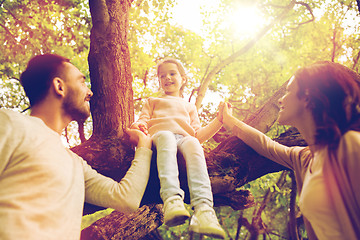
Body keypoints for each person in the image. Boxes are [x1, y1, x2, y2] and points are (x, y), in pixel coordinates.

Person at [0, 54, 153, 240]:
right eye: (82, 82)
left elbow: (127, 199)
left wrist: (144, 146)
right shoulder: (9, 123)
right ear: (59, 86)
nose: (90, 92)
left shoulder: (75, 164)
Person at [222, 61, 360, 240]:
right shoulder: (305, 158)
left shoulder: (350, 146)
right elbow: (266, 145)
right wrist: (228, 119)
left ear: (308, 96)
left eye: (288, 91)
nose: (281, 99)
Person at [131, 58, 226, 238]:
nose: (167, 78)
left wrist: (219, 121)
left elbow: (198, 134)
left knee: (194, 144)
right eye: (162, 76)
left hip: (184, 139)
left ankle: (204, 210)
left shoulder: (189, 106)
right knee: (166, 136)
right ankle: (172, 199)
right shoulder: (152, 101)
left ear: (183, 79)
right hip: (159, 137)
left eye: (172, 74)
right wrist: (139, 126)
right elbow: (142, 120)